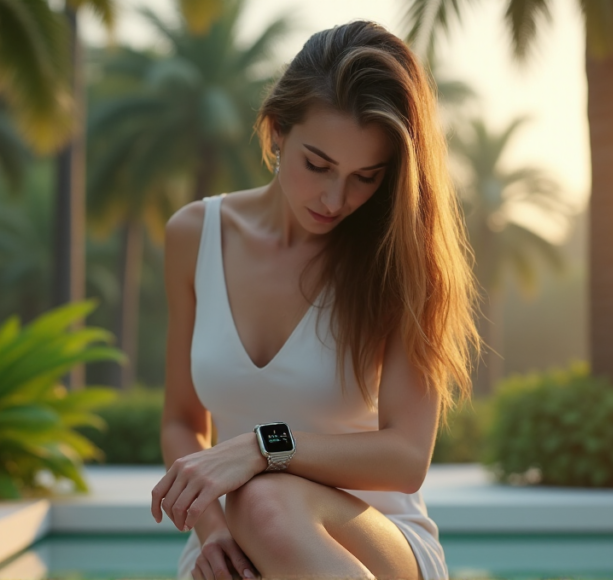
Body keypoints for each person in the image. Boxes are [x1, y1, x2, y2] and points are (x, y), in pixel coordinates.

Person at [150, 20, 479, 580]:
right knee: (257, 512)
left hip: (374, 541)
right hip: (234, 541)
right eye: (318, 165)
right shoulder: (194, 236)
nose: (335, 198)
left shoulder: (395, 258)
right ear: (277, 130)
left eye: (365, 177)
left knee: (265, 499)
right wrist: (214, 534)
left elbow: (406, 458)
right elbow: (183, 421)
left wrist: (262, 447)